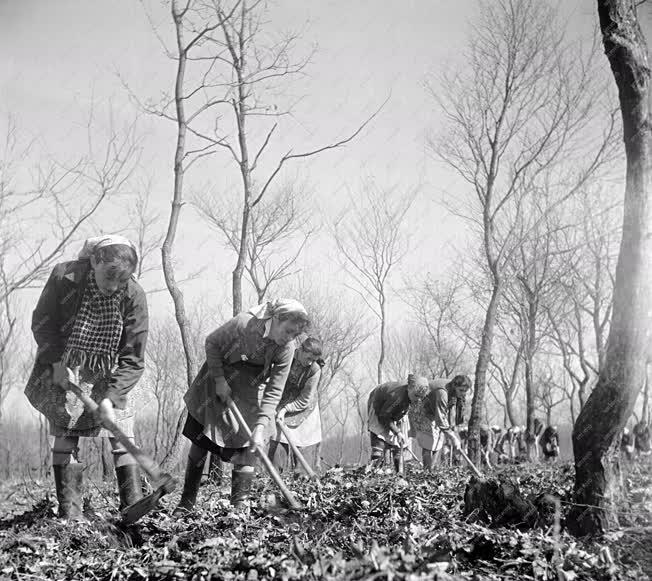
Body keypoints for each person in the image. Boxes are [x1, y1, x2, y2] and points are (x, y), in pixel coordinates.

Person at [25, 235, 148, 520]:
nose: (113, 287)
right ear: (94, 260)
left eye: (121, 281)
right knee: (66, 435)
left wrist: (112, 397)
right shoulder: (64, 276)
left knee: (122, 434)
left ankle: (133, 507)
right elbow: (42, 323)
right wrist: (57, 363)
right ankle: (71, 514)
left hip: (114, 371)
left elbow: (134, 357)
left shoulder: (134, 295)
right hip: (65, 362)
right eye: (108, 277)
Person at [174, 299, 310, 513]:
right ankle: (186, 503)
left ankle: (239, 507)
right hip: (218, 379)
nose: (289, 338)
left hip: (250, 388)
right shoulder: (243, 323)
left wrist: (260, 427)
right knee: (202, 441)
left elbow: (275, 389)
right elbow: (211, 343)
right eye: (287, 331)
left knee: (250, 448)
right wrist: (219, 380)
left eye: (295, 335)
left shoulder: (287, 348)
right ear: (275, 319)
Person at [268, 337, 324, 473]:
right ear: (301, 350)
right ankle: (274, 479)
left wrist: (285, 410)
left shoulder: (314, 370)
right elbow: (270, 379)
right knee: (275, 440)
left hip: (303, 408)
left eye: (313, 360)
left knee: (301, 444)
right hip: (279, 400)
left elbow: (305, 399)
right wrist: (273, 406)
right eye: (308, 358)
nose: (310, 362)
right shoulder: (285, 354)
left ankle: (302, 481)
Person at [406, 375, 468, 470]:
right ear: (455, 386)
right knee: (429, 443)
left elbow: (452, 411)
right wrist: (453, 437)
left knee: (438, 442)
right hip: (422, 410)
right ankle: (427, 472)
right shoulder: (442, 392)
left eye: (465, 391)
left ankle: (432, 469)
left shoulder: (456, 391)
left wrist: (452, 428)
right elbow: (440, 418)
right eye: (461, 390)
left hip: (434, 412)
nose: (463, 393)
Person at [367, 377, 415, 473]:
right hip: (379, 408)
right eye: (416, 396)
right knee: (379, 438)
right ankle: (376, 472)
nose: (418, 399)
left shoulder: (413, 397)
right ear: (410, 390)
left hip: (397, 413)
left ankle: (400, 474)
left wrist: (400, 432)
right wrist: (397, 431)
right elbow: (384, 416)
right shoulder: (397, 397)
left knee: (398, 444)